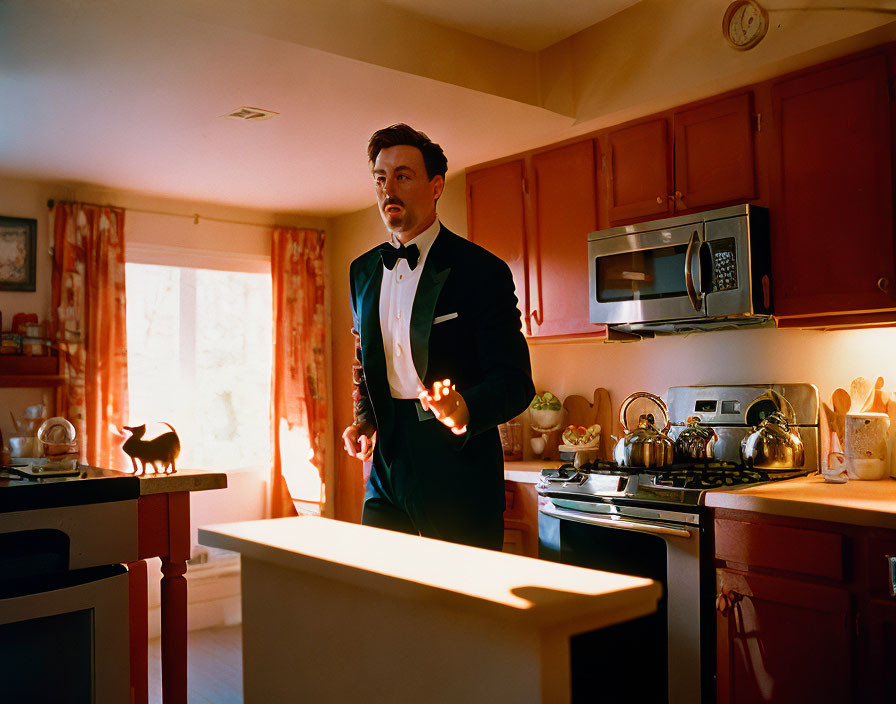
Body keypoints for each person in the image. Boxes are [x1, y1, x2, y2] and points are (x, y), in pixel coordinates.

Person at [342, 123, 535, 550]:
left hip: (460, 467)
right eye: (380, 178)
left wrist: (463, 408)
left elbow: (517, 383)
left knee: (463, 609)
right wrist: (365, 420)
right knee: (382, 596)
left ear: (435, 186)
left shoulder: (481, 271)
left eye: (403, 175)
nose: (388, 189)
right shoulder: (362, 272)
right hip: (387, 468)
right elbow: (365, 359)